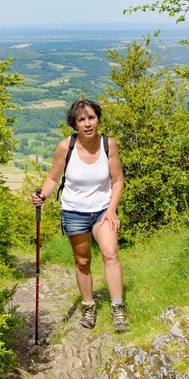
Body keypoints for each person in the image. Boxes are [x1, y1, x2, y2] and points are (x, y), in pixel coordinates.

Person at [31, 99, 129, 331]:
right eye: (81, 120)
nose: (87, 124)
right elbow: (53, 177)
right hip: (74, 212)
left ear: (98, 119)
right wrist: (42, 195)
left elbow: (118, 181)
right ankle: (88, 305)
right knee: (82, 261)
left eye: (91, 118)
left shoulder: (108, 144)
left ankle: (118, 308)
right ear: (74, 124)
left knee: (111, 252)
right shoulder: (67, 147)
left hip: (102, 210)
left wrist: (112, 208)